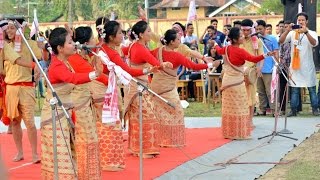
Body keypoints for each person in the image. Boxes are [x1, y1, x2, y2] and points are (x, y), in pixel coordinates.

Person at [40, 27, 103, 179]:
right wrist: (95, 74)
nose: (74, 44)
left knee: (69, 156)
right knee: (62, 161)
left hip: (64, 115)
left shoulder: (65, 62)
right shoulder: (57, 66)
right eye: (70, 42)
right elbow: (73, 79)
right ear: (60, 48)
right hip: (54, 118)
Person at [97, 20, 156, 170]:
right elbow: (128, 70)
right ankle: (109, 160)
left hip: (112, 88)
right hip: (107, 90)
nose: (122, 35)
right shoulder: (110, 52)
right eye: (119, 33)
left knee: (113, 124)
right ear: (111, 37)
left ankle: (112, 158)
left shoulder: (111, 49)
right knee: (110, 125)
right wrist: (149, 70)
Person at [150, 29, 219, 147]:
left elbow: (145, 58)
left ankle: (159, 140)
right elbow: (193, 65)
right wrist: (211, 65)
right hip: (168, 89)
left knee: (158, 113)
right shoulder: (176, 55)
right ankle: (171, 140)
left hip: (155, 87)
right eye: (177, 39)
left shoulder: (157, 51)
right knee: (177, 112)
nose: (180, 41)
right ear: (171, 42)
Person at [123, 20, 172, 158]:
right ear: (140, 34)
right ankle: (144, 150)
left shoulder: (134, 45)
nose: (150, 33)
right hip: (138, 87)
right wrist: (164, 64)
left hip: (135, 86)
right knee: (148, 117)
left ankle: (136, 148)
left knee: (137, 118)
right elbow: (154, 62)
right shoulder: (139, 48)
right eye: (148, 31)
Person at [214, 27, 272, 139]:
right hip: (237, 83)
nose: (243, 37)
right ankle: (238, 132)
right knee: (240, 107)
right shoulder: (240, 51)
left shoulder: (226, 49)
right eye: (240, 36)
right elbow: (253, 59)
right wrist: (266, 55)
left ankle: (229, 132)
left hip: (226, 83)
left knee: (228, 108)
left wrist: (215, 44)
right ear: (235, 39)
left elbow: (219, 50)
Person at [4, 18, 42, 163]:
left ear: (21, 29)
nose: (9, 31)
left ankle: (34, 153)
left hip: (26, 87)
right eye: (8, 28)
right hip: (11, 89)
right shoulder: (6, 47)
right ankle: (19, 152)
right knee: (14, 122)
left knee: (30, 123)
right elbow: (17, 60)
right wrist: (34, 65)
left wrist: (42, 47)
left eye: (12, 28)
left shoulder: (30, 44)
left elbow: (41, 58)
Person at [67, 26, 102, 178]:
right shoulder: (75, 59)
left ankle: (86, 172)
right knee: (86, 139)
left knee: (89, 139)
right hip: (78, 106)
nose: (95, 40)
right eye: (93, 38)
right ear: (86, 42)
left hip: (85, 104)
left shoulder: (83, 57)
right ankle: (84, 173)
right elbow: (96, 75)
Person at [279, 12, 319, 116]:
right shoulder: (293, 33)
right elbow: (281, 41)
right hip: (295, 67)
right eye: (299, 20)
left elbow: (314, 43)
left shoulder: (312, 32)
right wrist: (287, 30)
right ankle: (293, 110)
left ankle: (315, 109)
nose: (300, 22)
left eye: (302, 20)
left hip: (307, 66)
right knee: (295, 90)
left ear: (307, 21)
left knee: (311, 89)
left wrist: (306, 33)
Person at [239, 19, 264, 121]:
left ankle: (250, 120)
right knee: (241, 96)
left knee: (251, 96)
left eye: (247, 30)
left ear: (252, 30)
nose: (245, 33)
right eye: (243, 30)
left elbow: (261, 56)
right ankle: (242, 119)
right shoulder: (238, 40)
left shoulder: (257, 41)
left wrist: (259, 68)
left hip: (251, 71)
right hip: (239, 71)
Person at [255, 20, 279, 116]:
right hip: (257, 68)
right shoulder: (255, 39)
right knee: (260, 90)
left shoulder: (271, 39)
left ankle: (274, 109)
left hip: (269, 68)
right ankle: (262, 109)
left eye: (260, 29)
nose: (258, 31)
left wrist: (277, 65)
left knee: (270, 91)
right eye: (256, 29)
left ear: (265, 28)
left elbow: (276, 52)